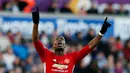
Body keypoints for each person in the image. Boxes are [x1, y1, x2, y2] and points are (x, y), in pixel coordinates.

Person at [32, 6, 111, 73]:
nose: (59, 40)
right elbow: (35, 40)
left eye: (61, 40)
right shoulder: (46, 55)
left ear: (65, 45)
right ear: (53, 45)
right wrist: (36, 23)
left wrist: (101, 33)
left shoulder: (72, 57)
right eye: (57, 40)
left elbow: (90, 47)